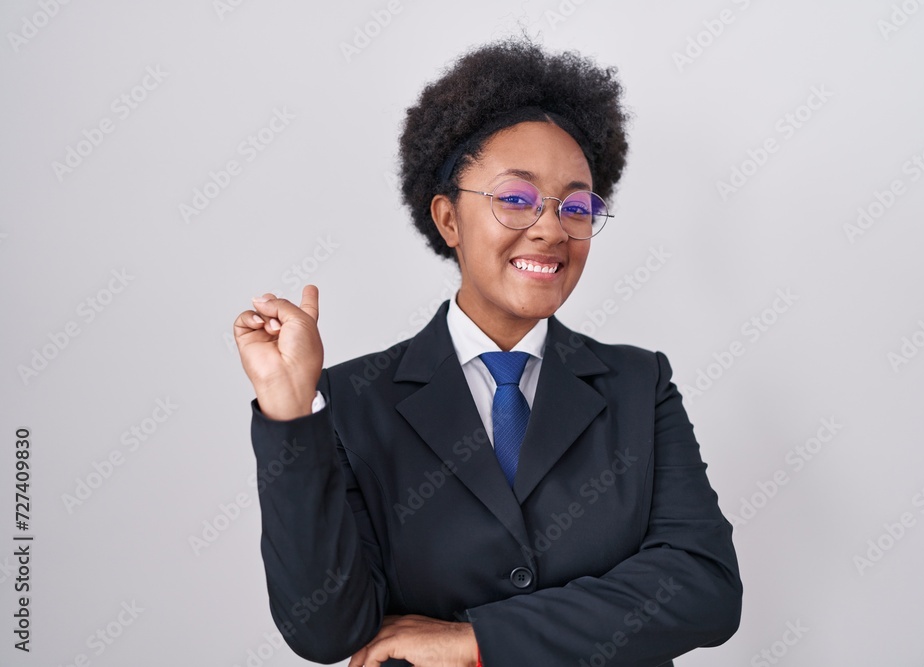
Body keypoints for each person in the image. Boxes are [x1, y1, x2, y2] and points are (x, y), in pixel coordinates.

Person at [234, 38, 741, 667]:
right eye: (516, 197)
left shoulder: (638, 385)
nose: (552, 228)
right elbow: (326, 628)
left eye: (576, 205)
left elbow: (704, 588)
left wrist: (472, 641)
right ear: (449, 219)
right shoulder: (351, 401)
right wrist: (291, 417)